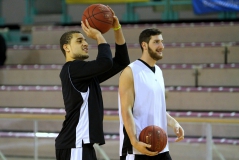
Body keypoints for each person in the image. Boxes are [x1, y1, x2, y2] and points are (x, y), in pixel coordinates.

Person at [55, 7, 130, 160]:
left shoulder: (84, 74)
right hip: (75, 144)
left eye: (85, 40)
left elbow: (122, 62)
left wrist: (117, 28)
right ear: (66, 47)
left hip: (81, 145)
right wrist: (98, 36)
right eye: (79, 40)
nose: (85, 43)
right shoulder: (72, 69)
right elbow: (105, 62)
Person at [118, 28, 184, 160]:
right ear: (144, 45)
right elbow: (126, 111)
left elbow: (155, 108)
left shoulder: (158, 71)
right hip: (137, 149)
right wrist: (134, 141)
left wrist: (174, 123)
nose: (161, 46)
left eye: (162, 42)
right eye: (156, 42)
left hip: (160, 146)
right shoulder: (130, 71)